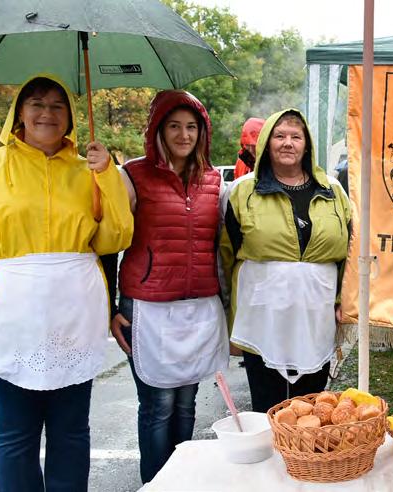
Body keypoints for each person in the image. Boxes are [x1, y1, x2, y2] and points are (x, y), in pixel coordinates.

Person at [0, 75, 133, 491]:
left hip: (74, 315)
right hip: (8, 315)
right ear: (19, 113)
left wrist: (109, 178)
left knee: (71, 431)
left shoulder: (90, 169)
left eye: (57, 105)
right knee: (16, 433)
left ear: (70, 118)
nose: (47, 113)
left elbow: (114, 238)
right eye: (36, 103)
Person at [105, 90, 229, 483]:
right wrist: (111, 306)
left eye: (191, 127)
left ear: (202, 133)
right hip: (148, 305)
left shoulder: (214, 180)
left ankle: (181, 481)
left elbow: (224, 244)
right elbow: (108, 238)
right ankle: (156, 484)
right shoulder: (132, 175)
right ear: (158, 130)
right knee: (157, 404)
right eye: (174, 126)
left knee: (187, 403)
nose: (183, 134)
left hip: (198, 306)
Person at [220, 109, 352, 412]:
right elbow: (226, 254)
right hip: (262, 315)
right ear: (266, 142)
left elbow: (350, 250)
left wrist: (344, 298)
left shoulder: (333, 191)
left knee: (312, 408)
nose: (287, 143)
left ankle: (305, 460)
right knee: (267, 410)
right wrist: (228, 311)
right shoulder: (242, 191)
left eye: (296, 136)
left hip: (315, 313)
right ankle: (271, 458)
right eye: (279, 136)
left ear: (307, 144)